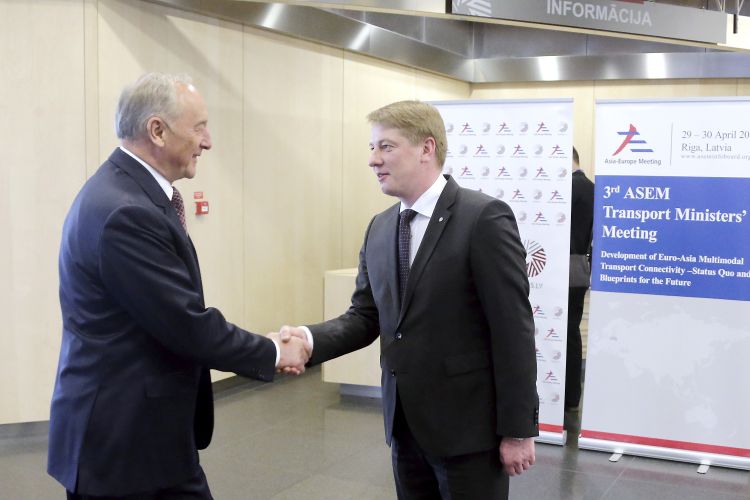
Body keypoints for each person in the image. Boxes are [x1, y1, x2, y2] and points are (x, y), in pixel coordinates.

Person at [47, 73, 310, 499]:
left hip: (143, 437)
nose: (208, 142)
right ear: (157, 130)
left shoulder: (129, 194)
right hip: (124, 446)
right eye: (199, 127)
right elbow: (186, 324)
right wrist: (275, 351)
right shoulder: (126, 212)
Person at [279, 101, 538, 499]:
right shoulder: (380, 228)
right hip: (404, 428)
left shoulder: (483, 218)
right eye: (372, 148)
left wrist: (518, 431)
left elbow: (513, 331)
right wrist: (308, 339)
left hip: (469, 434)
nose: (373, 159)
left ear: (426, 148)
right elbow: (364, 316)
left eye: (386, 146)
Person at [566, 146, 594, 411]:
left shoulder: (567, 188)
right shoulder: (593, 189)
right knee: (572, 330)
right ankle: (573, 397)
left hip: (563, 269)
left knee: (565, 333)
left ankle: (567, 396)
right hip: (581, 269)